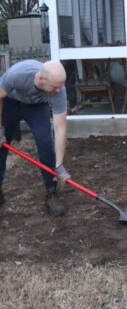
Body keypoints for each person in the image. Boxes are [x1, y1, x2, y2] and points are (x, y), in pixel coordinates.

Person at [0, 59, 71, 217]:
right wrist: (0, 130)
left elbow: (60, 128)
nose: (60, 91)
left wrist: (59, 165)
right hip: (11, 103)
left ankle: (51, 193)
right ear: (41, 79)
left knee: (45, 144)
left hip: (37, 108)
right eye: (55, 87)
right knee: (1, 147)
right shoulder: (17, 75)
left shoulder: (59, 89)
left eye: (61, 85)